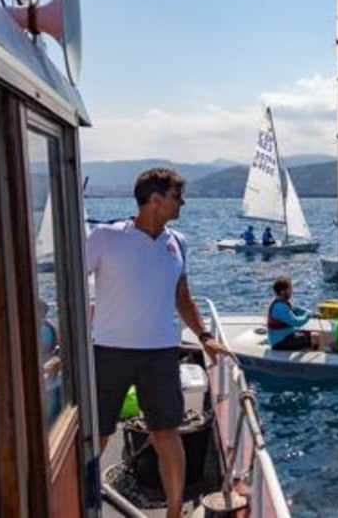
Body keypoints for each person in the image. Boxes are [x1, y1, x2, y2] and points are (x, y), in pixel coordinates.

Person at [87, 168, 232, 517]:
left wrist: (205, 337)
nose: (182, 202)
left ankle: (173, 511)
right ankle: (81, 501)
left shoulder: (178, 241)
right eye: (176, 196)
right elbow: (73, 283)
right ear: (155, 199)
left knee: (168, 434)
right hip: (109, 350)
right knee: (99, 433)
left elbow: (184, 298)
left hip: (161, 353)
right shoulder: (105, 237)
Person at [267, 276, 316, 350]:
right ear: (282, 291)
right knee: (314, 337)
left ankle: (306, 351)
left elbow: (296, 309)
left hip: (286, 336)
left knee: (313, 335)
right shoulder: (279, 307)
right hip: (279, 342)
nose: (292, 291)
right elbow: (297, 322)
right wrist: (308, 315)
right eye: (290, 289)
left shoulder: (283, 302)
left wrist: (310, 312)